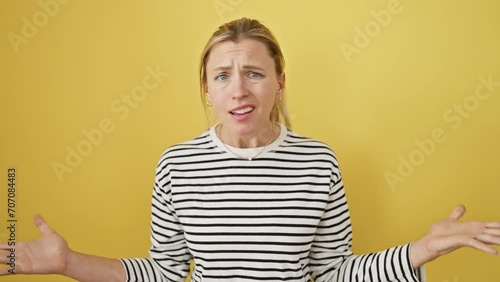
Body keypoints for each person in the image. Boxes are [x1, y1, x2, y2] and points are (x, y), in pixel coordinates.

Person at [1, 17, 499, 282]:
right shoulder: (177, 165)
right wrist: (69, 262)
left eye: (254, 73)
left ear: (279, 83)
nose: (239, 89)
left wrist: (422, 252)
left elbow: (333, 272)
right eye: (223, 76)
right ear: (207, 89)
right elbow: (164, 273)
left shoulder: (317, 161)